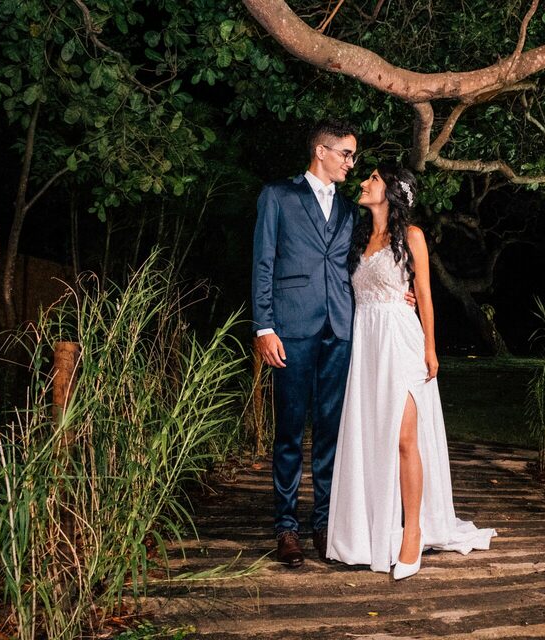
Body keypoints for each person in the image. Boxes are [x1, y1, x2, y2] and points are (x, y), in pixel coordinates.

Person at [325, 163, 496, 579]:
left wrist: (431, 349)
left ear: (393, 192)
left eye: (374, 179)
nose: (364, 183)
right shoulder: (359, 238)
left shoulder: (412, 237)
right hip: (366, 343)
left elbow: (424, 296)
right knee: (372, 435)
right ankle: (371, 528)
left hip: (401, 341)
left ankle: (413, 532)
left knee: (405, 437)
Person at [251, 118, 360, 568]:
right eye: (346, 154)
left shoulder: (351, 210)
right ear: (321, 151)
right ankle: (286, 527)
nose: (352, 163)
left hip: (341, 329)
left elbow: (358, 264)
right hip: (291, 329)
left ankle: (324, 524)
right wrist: (264, 327)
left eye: (353, 156)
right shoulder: (278, 195)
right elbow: (263, 261)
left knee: (332, 433)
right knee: (290, 432)